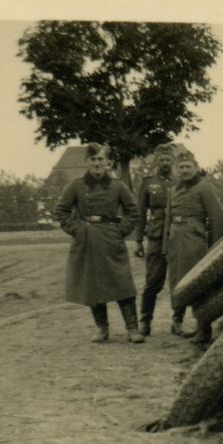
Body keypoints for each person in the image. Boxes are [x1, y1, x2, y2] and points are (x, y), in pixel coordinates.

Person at [55, 143, 143, 344]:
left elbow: (133, 212)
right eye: (93, 160)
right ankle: (102, 328)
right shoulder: (75, 186)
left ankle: (132, 328)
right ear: (86, 162)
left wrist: (119, 231)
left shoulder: (118, 186)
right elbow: (61, 211)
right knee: (93, 285)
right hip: (87, 240)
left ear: (108, 162)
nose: (96, 164)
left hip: (111, 239)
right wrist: (78, 230)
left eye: (100, 159)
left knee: (122, 282)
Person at [166, 151, 223, 345]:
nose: (184, 170)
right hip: (175, 242)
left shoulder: (204, 188)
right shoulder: (174, 189)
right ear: (176, 169)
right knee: (176, 281)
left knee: (196, 284)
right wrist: (164, 247)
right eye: (181, 167)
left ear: (195, 167)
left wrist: (214, 246)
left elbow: (218, 218)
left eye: (188, 167)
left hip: (194, 241)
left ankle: (203, 329)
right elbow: (168, 219)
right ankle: (176, 321)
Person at [132, 144, 175, 337]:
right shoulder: (148, 183)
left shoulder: (180, 181)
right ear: (156, 161)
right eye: (162, 160)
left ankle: (178, 320)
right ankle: (145, 320)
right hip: (157, 236)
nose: (165, 163)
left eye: (168, 160)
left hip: (176, 235)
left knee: (178, 279)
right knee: (153, 281)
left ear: (173, 161)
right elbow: (140, 213)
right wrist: (138, 239)